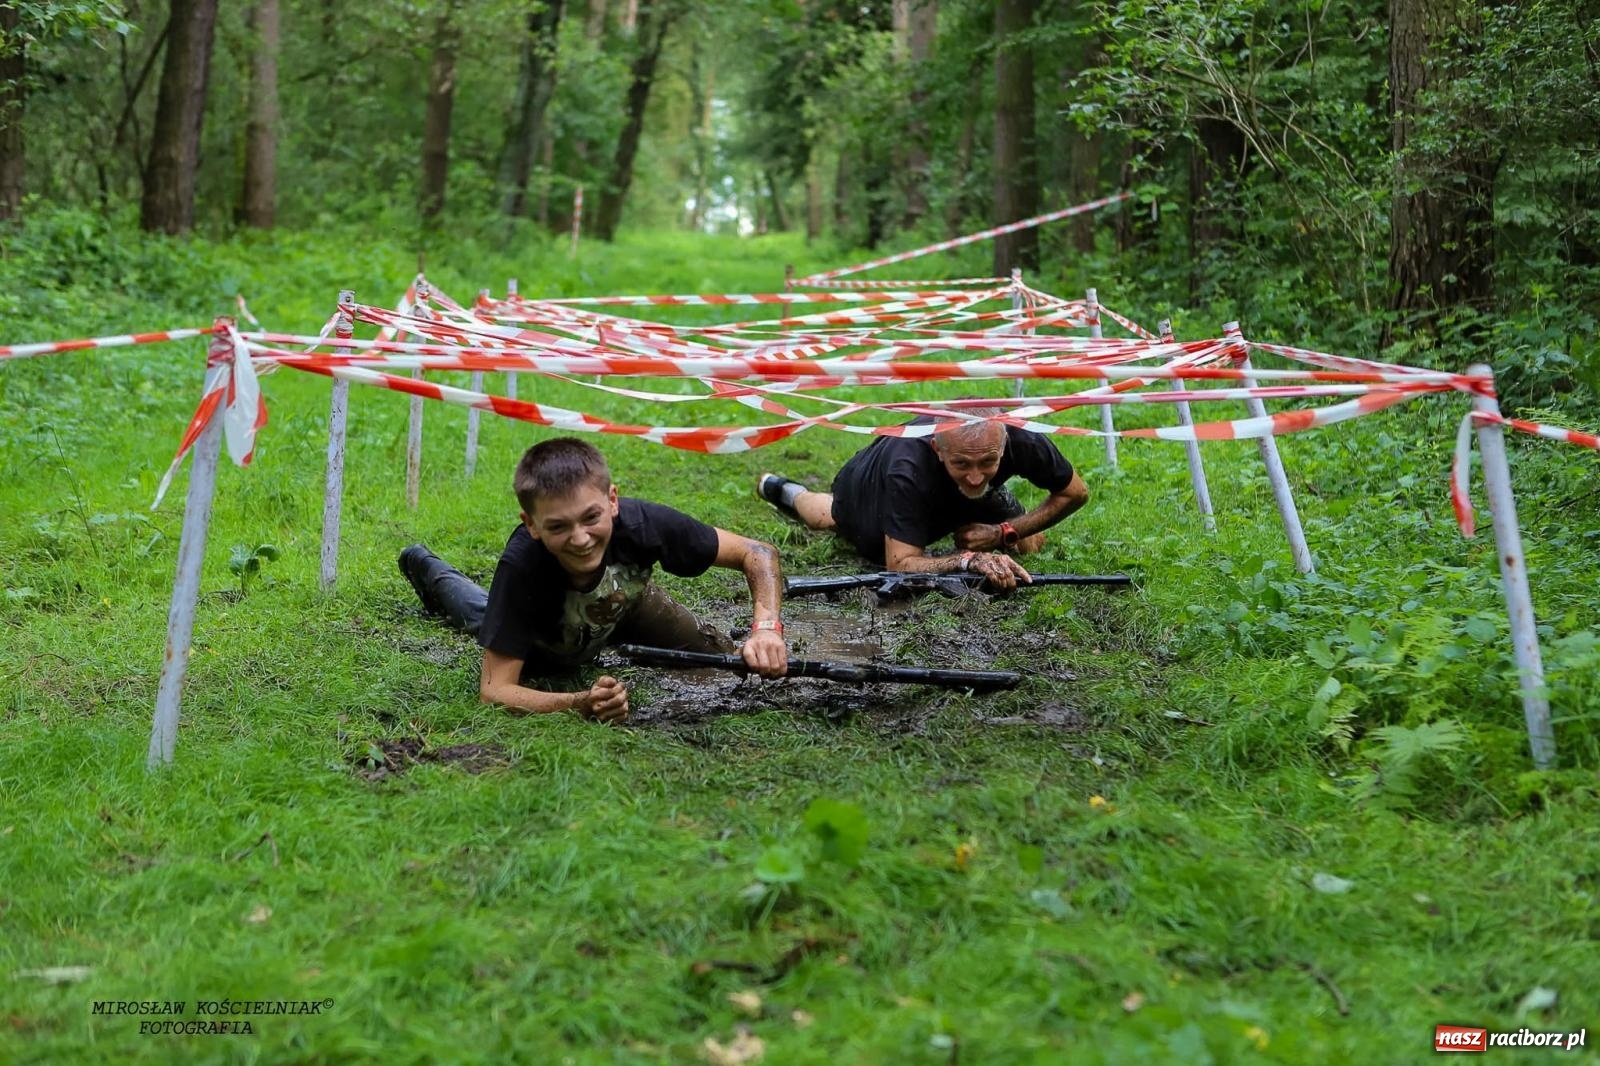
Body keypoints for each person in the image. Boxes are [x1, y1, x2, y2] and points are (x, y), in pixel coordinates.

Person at [400, 437, 788, 724]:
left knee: (722, 658)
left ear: (612, 501)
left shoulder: (643, 524)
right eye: (558, 527)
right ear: (531, 524)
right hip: (550, 638)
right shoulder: (522, 567)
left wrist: (767, 630)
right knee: (480, 613)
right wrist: (580, 702)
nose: (581, 539)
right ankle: (428, 567)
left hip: (627, 605)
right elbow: (494, 690)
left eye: (591, 518)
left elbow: (757, 552)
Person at [757, 411, 1088, 591]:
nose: (975, 475)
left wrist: (1005, 533)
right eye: (962, 463)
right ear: (938, 450)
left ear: (1003, 447)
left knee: (1031, 544)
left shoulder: (1021, 436)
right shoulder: (907, 469)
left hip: (949, 489)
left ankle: (977, 498)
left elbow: (1075, 493)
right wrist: (968, 560)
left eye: (988, 462)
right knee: (826, 517)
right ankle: (785, 490)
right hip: (867, 487)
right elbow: (900, 564)